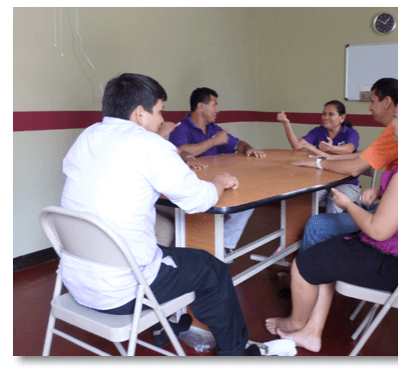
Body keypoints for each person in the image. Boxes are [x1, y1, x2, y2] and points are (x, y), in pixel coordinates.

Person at [60, 73, 259, 356]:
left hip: (77, 280)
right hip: (122, 292)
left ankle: (163, 326)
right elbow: (197, 200)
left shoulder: (88, 136)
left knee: (161, 244)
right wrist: (220, 181)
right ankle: (236, 354)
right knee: (211, 267)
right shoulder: (151, 146)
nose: (161, 118)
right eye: (159, 111)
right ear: (140, 114)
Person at [265, 89, 398, 353]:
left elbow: (377, 230)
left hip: (397, 267)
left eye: (396, 116)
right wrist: (382, 192)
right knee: (327, 249)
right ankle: (311, 332)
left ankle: (294, 322)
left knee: (304, 264)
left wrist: (348, 204)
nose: (391, 123)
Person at [291, 78, 398, 253]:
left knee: (316, 224)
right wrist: (326, 157)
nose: (369, 107)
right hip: (392, 206)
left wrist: (318, 162)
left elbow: (355, 167)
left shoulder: (396, 132)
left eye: (372, 101)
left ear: (388, 102)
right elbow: (363, 155)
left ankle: (306, 273)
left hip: (392, 216)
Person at [156, 87, 266, 260]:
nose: (217, 110)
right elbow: (181, 150)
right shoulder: (180, 128)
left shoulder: (214, 129)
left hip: (215, 184)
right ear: (201, 106)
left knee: (249, 199)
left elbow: (238, 144)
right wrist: (213, 142)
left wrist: (249, 148)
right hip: (192, 189)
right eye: (214, 105)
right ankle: (212, 248)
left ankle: (222, 244)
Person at [278, 100, 360, 213]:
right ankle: (309, 229)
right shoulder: (318, 131)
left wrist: (332, 148)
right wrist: (286, 124)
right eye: (324, 114)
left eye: (331, 114)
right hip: (322, 182)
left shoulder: (351, 132)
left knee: (334, 203)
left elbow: (349, 149)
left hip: (347, 184)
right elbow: (297, 146)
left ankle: (332, 230)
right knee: (305, 201)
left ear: (342, 117)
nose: (325, 117)